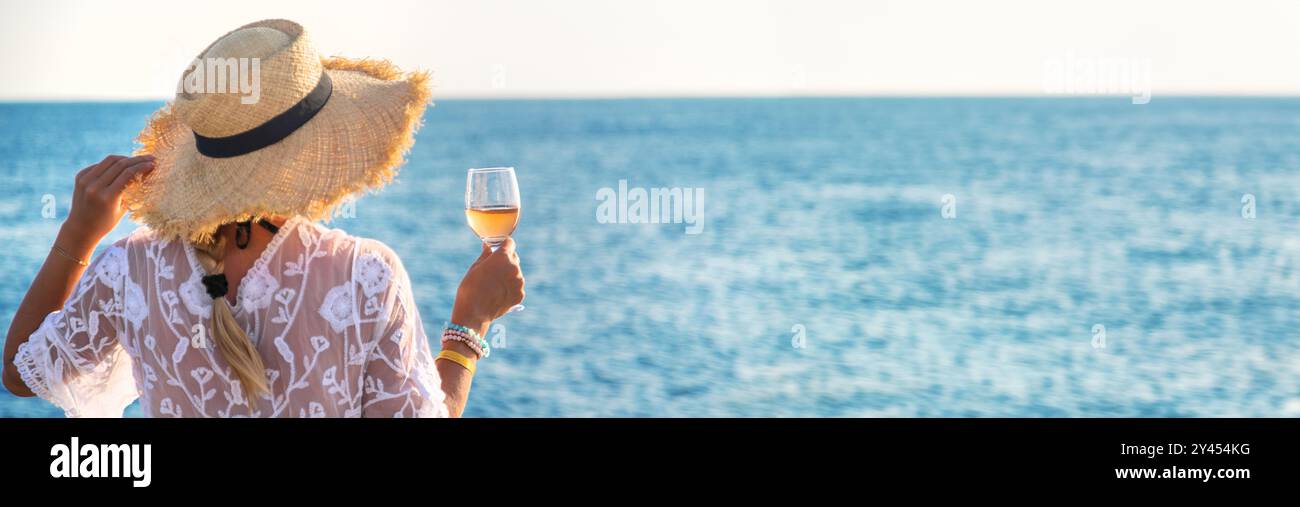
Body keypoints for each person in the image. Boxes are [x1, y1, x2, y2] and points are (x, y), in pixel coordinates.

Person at [0, 19, 524, 417]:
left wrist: (78, 233)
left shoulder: (130, 270)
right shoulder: (364, 275)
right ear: (314, 151)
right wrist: (469, 323)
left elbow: (21, 373)